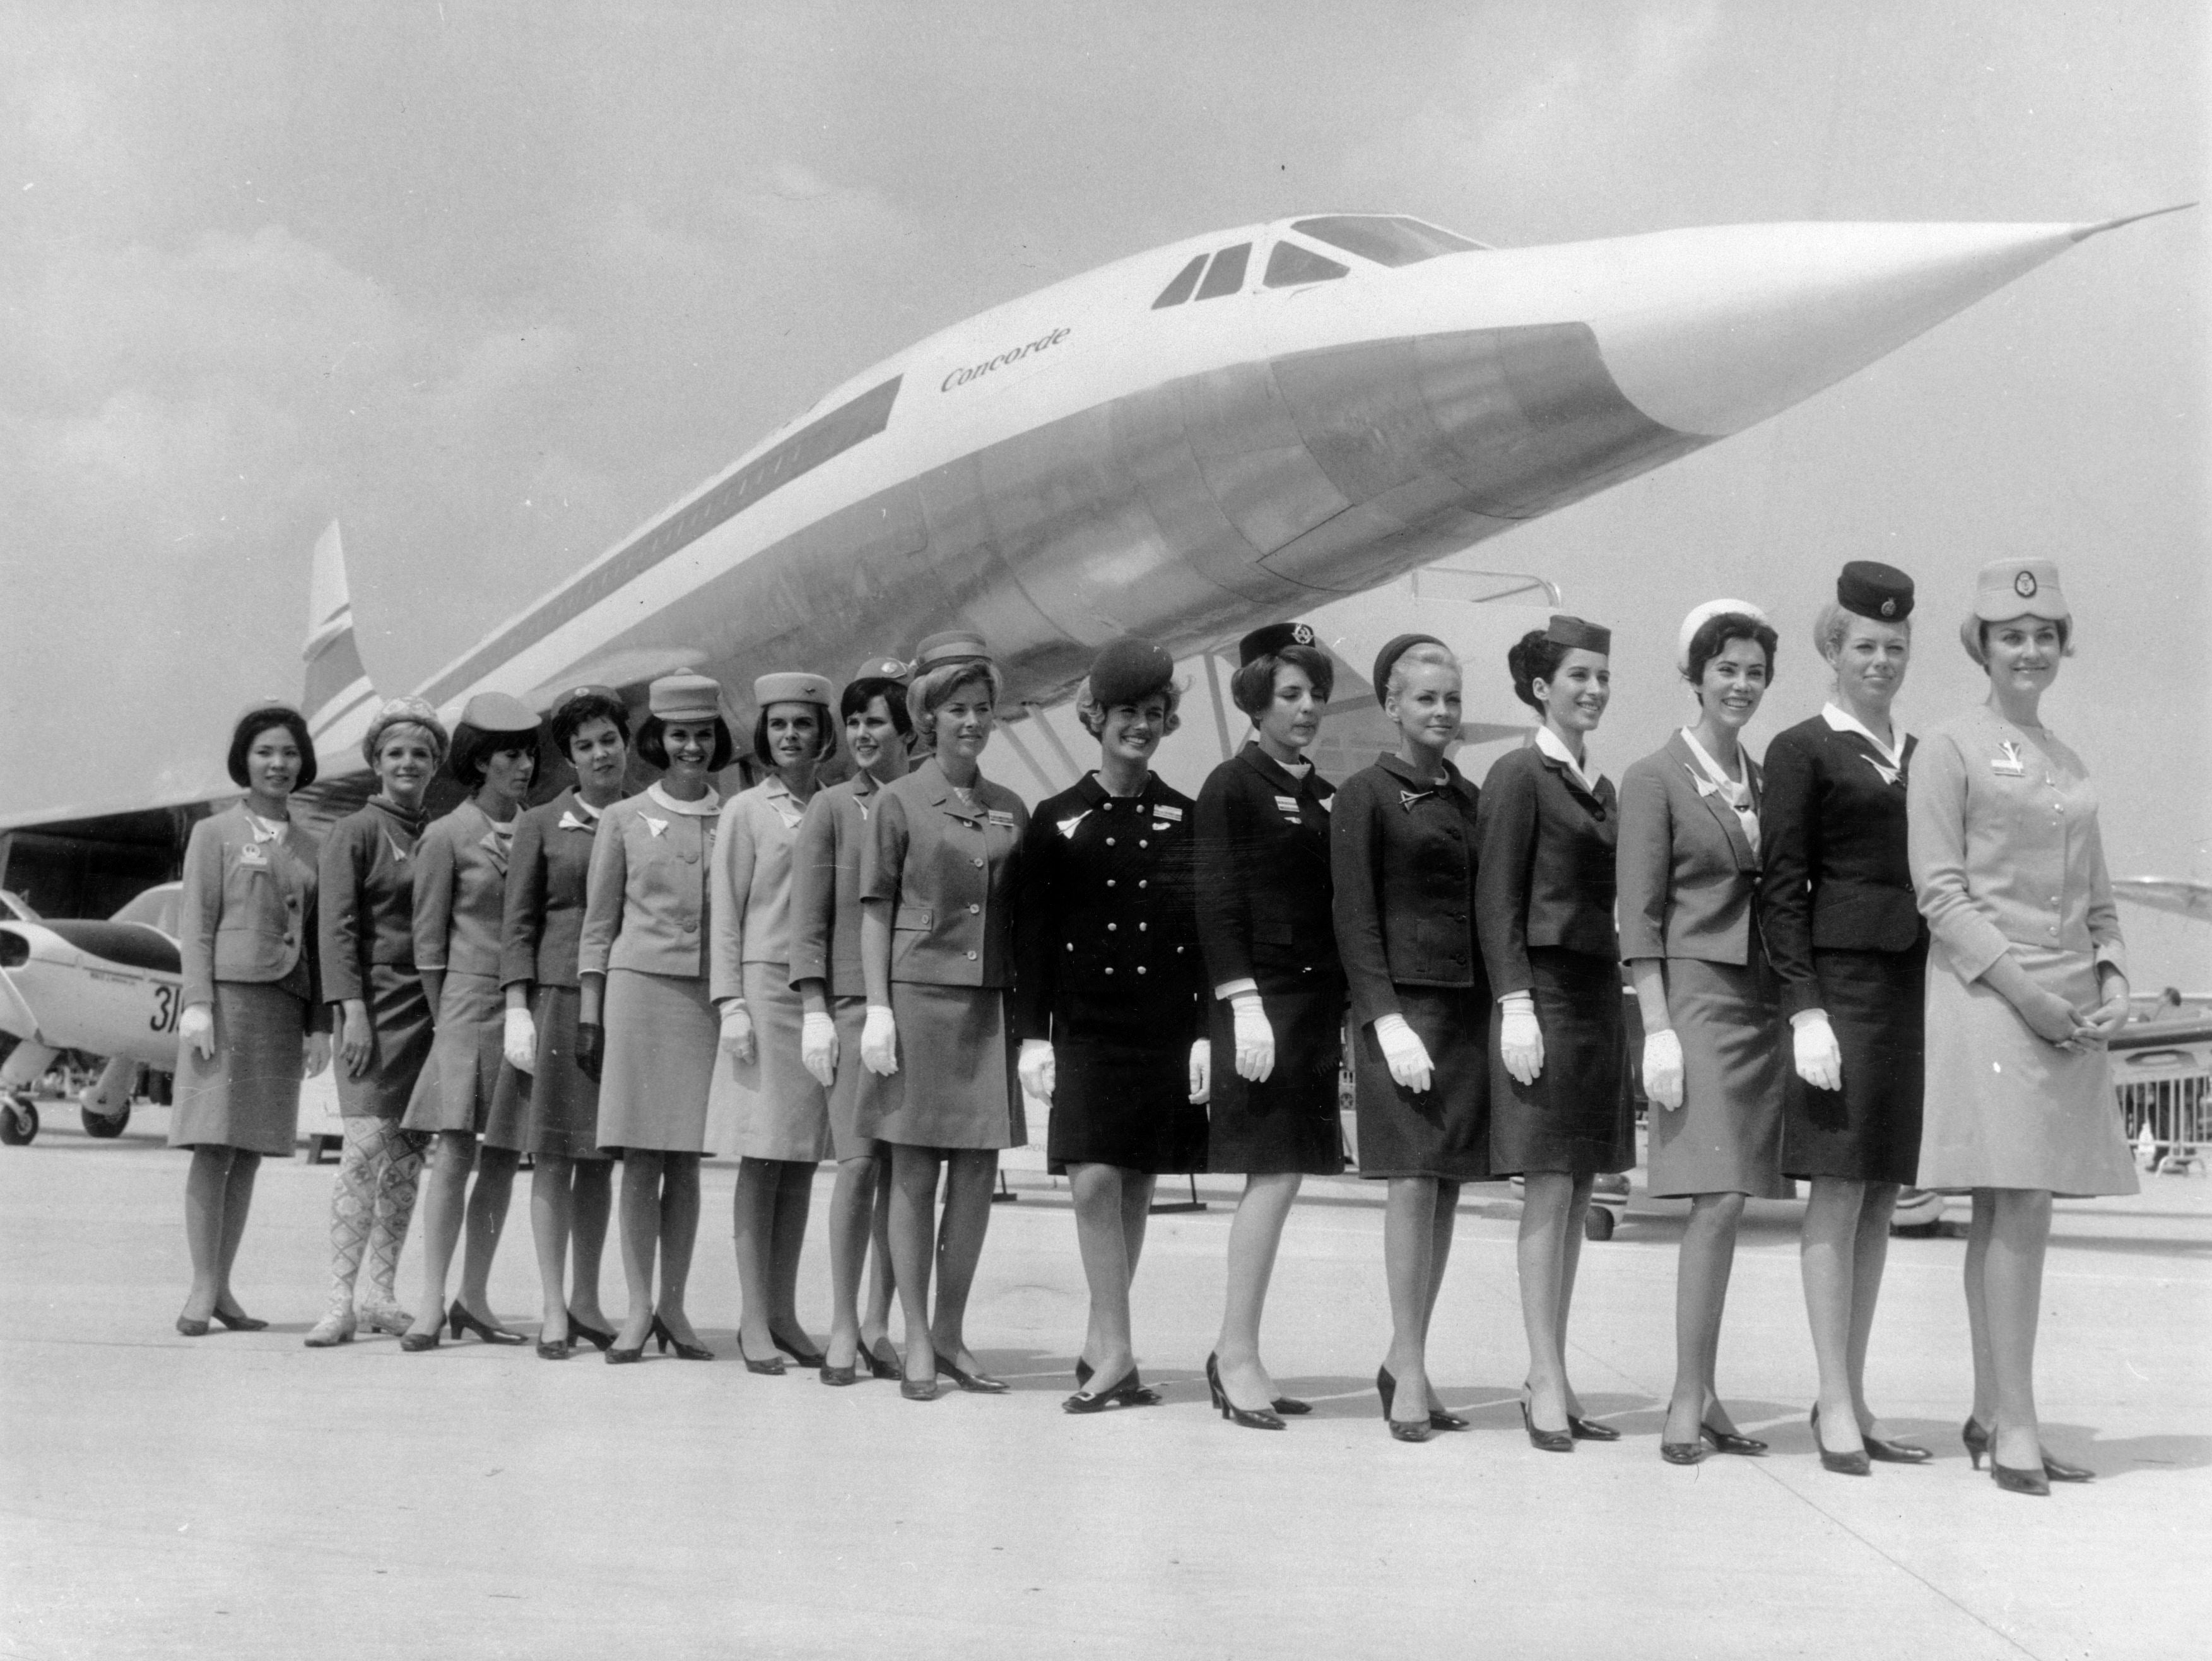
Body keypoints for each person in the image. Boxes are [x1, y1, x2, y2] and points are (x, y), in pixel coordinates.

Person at [1909, 558, 2133, 1496]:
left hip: (2068, 1001)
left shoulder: (2067, 760)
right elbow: (1938, 891)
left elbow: (2096, 894)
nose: (2029, 650)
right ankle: (2014, 1421)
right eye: (2011, 636)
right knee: (2010, 1201)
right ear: (1983, 647)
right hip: (1988, 997)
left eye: (2043, 636)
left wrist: (2114, 971)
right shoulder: (1950, 747)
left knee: (2019, 1209)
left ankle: (1995, 1410)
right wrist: (2026, 993)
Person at [1762, 562, 1933, 1475]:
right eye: (1864, 645)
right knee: (1836, 1189)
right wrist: (1803, 1011)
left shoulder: (1914, 751)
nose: (1880, 660)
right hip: (1839, 990)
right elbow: (1780, 889)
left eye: (1894, 647)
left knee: (1876, 1197)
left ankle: (1852, 1394)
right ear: (1833, 648)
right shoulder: (1804, 748)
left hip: (1905, 991)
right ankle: (1831, 1396)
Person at [1013, 638, 1207, 1414]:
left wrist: (1203, 1031)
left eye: (1155, 714)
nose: (1141, 726)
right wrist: (1032, 1033)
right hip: (1087, 1025)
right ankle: (1118, 1350)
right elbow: (1031, 933)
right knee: (1092, 1177)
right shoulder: (1055, 819)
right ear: (1096, 716)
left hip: (1159, 1026)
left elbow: (1197, 936)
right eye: (1127, 712)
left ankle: (1103, 1345)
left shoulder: (1184, 817)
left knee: (1134, 1185)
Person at [1618, 599, 1791, 1465]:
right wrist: (1656, 1028)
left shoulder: (1760, 779)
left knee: (1734, 1198)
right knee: (1714, 1197)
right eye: (1724, 669)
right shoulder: (1654, 776)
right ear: (1693, 676)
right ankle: (1685, 1397)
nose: (1740, 685)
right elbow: (1638, 913)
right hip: (1690, 998)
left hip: (1756, 1001)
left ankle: (1709, 1392)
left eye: (1754, 672)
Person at [1474, 615, 1634, 1451]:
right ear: (1540, 687)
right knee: (1545, 1186)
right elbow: (1495, 898)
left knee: (1576, 1192)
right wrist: (1513, 1004)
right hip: (1542, 994)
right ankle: (1540, 1374)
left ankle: (1556, 1373)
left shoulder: (1594, 786)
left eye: (1601, 676)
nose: (1593, 689)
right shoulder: (1518, 774)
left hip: (1594, 996)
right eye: (1577, 676)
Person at [857, 632, 1029, 1402]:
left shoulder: (1008, 807)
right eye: (957, 708)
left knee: (976, 1178)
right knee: (912, 1173)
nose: (971, 722)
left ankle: (953, 1331)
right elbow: (873, 912)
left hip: (988, 1005)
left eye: (983, 709)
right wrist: (875, 1009)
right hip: (917, 1001)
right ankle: (916, 1333)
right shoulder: (897, 800)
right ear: (928, 716)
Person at [1331, 635, 1490, 1443]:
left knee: (1449, 1185)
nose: (1441, 712)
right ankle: (1411, 1370)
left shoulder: (1468, 799)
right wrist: (1382, 1017)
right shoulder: (1364, 795)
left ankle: (1407, 1358)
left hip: (1464, 1016)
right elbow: (1353, 918)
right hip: (1403, 1015)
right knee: (1412, 1184)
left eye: (1452, 699)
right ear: (1391, 706)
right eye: (1425, 698)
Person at [1194, 621, 1344, 1431]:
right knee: (1273, 1176)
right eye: (1289, 694)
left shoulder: (1323, 794)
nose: (1306, 707)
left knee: (1283, 1177)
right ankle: (1234, 1352)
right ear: (1254, 699)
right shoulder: (1232, 785)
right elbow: (1214, 900)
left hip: (1311, 1005)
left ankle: (1241, 1350)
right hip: (1264, 1007)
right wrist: (1239, 1000)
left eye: (1314, 693)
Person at [577, 673, 731, 1363]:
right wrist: (589, 1011)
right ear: (658, 740)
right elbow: (597, 925)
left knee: (688, 1161)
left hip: (705, 1000)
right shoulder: (624, 817)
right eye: (678, 735)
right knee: (640, 1158)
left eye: (702, 734)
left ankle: (674, 1303)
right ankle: (638, 1308)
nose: (690, 746)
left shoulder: (736, 815)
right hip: (638, 994)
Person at [170, 702, 331, 1335]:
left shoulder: (312, 844)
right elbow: (196, 921)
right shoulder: (214, 833)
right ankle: (200, 1286)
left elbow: (317, 941)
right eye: (266, 751)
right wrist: (198, 1002)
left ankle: (226, 1288)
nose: (278, 763)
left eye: (290, 752)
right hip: (226, 1004)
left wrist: (319, 1023)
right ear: (246, 758)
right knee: (212, 1144)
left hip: (282, 1006)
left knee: (253, 1151)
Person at [398, 692, 543, 1351]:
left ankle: (475, 1298)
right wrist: (446, 1018)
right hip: (462, 1004)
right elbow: (427, 943)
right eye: (511, 755)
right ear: (481, 762)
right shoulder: (447, 835)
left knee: (507, 1152)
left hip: (525, 1008)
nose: (524, 766)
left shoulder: (538, 827)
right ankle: (429, 1300)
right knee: (455, 1150)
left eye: (528, 754)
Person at [709, 671, 840, 1374]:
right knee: (761, 1157)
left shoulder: (836, 804)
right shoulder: (745, 811)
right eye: (781, 724)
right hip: (762, 990)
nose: (792, 735)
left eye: (805, 724)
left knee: (798, 1159)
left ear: (824, 734)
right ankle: (752, 1318)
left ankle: (785, 1311)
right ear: (765, 734)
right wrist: (729, 1000)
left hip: (815, 995)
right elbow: (725, 913)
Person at [787, 656, 912, 1386]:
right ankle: (840, 1322)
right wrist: (813, 1010)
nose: (864, 733)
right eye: (855, 720)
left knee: (902, 1173)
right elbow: (806, 919)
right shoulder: (833, 807)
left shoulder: (926, 800)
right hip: (850, 1006)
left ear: (906, 727)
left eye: (877, 719)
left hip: (914, 1005)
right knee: (858, 1167)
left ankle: (877, 1322)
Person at [310, 697, 449, 1347]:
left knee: (406, 1157)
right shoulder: (354, 830)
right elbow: (334, 929)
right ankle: (338, 1299)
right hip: (372, 1006)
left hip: (427, 1010)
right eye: (395, 753)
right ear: (375, 762)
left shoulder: (439, 832)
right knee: (361, 1154)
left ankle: (380, 1293)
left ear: (435, 764)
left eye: (420, 754)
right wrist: (351, 1011)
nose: (408, 763)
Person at [499, 685, 630, 1357]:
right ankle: (552, 1306)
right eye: (585, 745)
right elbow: (517, 922)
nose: (600, 753)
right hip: (556, 999)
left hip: (623, 1001)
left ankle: (586, 1298)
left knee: (601, 1160)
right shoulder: (542, 823)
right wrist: (516, 1007)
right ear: (569, 757)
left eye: (609, 739)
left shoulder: (644, 816)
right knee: (552, 1156)